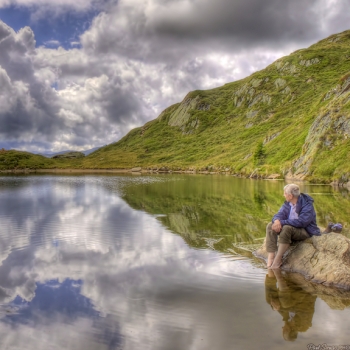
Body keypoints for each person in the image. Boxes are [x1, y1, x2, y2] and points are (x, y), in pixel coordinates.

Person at [266, 184, 320, 269]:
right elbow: (279, 214)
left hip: (305, 231)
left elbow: (302, 222)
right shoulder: (288, 203)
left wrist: (282, 222)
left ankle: (278, 259)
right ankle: (271, 257)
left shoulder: (307, 204)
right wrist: (276, 220)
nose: (284, 195)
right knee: (270, 225)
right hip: (292, 229)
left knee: (287, 228)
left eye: (285, 193)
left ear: (290, 196)